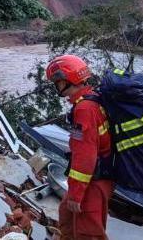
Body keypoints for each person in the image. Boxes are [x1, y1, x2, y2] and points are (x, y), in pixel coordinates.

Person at [46, 55, 113, 240]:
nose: (56, 86)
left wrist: (76, 193)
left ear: (67, 79)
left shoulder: (84, 109)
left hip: (94, 181)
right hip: (91, 178)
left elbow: (85, 156)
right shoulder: (92, 99)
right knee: (67, 216)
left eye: (57, 82)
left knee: (88, 233)